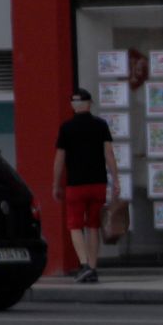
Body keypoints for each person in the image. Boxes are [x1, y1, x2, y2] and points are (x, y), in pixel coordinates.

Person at [52, 86, 118, 284]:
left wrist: (56, 184)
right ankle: (93, 266)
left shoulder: (66, 128)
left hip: (76, 185)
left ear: (73, 106)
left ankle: (84, 265)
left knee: (74, 225)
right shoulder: (101, 125)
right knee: (93, 226)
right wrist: (116, 179)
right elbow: (109, 154)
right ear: (90, 104)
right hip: (98, 183)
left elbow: (59, 159)